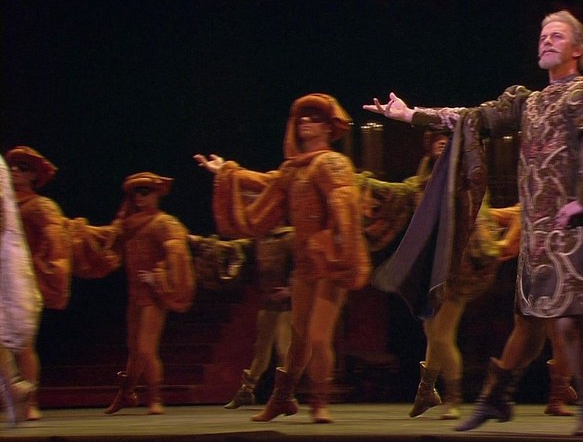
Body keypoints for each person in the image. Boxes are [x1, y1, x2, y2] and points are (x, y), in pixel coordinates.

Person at [364, 10, 583, 436]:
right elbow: (472, 118)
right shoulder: (527, 102)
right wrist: (410, 115)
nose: (546, 41)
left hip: (571, 230)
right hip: (537, 234)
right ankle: (496, 398)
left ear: (578, 49)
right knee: (528, 326)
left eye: (557, 36)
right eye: (543, 35)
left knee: (569, 322)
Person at [194, 93, 371, 424]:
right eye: (302, 117)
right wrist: (227, 172)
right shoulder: (293, 168)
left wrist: (335, 246)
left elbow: (345, 209)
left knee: (318, 337)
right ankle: (283, 398)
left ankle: (319, 402)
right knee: (299, 338)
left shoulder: (332, 163)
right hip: (305, 265)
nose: (305, 122)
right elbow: (267, 184)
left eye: (314, 118)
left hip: (330, 262)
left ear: (328, 127)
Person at [359, 130, 522, 420]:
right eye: (437, 138)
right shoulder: (419, 187)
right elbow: (391, 193)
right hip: (429, 270)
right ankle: (426, 391)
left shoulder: (466, 183)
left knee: (441, 335)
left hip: (457, 270)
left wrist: (489, 248)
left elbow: (479, 217)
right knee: (431, 333)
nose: (442, 141)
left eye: (448, 138)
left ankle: (452, 398)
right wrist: (362, 183)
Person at [70, 172, 196, 415]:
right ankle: (126, 394)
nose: (139, 197)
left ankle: (155, 398)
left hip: (153, 294)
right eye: (135, 193)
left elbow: (177, 255)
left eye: (144, 192)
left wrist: (158, 277)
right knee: (135, 350)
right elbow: (105, 237)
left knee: (146, 349)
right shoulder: (127, 225)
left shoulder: (164, 223)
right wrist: (76, 229)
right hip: (135, 294)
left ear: (156, 194)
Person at [5, 146, 72, 421]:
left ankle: (30, 401)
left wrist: (46, 272)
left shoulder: (39, 206)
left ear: (34, 175)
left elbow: (55, 244)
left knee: (23, 343)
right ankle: (13, 396)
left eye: (23, 168)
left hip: (23, 279)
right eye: (13, 166)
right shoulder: (5, 204)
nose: (15, 171)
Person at [222, 227, 294, 410]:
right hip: (269, 302)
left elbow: (303, 266)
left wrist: (291, 290)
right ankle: (246, 391)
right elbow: (238, 246)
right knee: (261, 350)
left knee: (284, 350)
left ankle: (284, 394)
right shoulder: (260, 239)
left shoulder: (291, 237)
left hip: (289, 305)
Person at [0, 153, 43, 426]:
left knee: (21, 338)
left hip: (7, 261)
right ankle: (13, 389)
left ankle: (22, 395)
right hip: (10, 258)